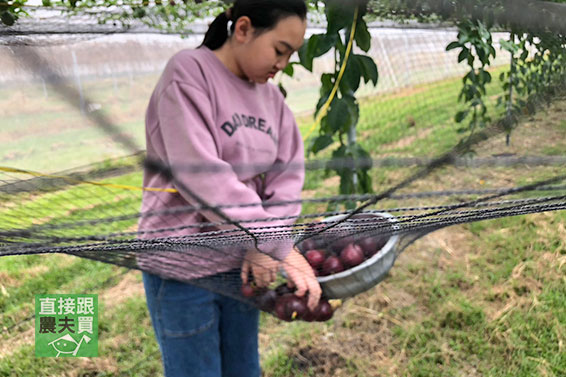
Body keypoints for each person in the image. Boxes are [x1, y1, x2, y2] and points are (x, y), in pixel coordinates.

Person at [137, 1, 321, 376]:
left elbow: (287, 178)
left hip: (242, 266)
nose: (282, 64)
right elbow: (202, 176)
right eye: (279, 50)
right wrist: (274, 244)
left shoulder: (272, 100)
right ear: (243, 30)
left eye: (290, 55)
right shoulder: (188, 75)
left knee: (243, 369)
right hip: (182, 269)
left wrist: (263, 246)